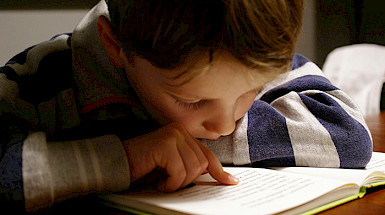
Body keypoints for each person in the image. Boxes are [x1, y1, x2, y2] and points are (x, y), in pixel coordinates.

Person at [0, 0, 372, 213]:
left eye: (252, 91)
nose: (226, 125)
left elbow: (348, 133)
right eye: (191, 100)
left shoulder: (251, 48)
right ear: (115, 46)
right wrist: (122, 158)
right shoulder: (39, 79)